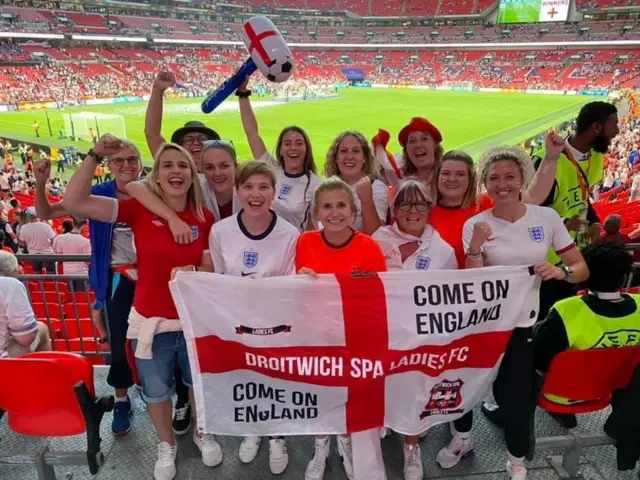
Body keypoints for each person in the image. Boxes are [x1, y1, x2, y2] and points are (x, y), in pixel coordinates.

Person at [63, 137, 218, 480]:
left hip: (193, 323)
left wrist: (193, 272)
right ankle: (167, 445)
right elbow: (72, 200)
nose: (175, 171)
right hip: (151, 321)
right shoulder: (137, 209)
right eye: (167, 165)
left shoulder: (204, 218)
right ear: (157, 176)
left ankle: (202, 432)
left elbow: (209, 270)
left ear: (191, 176)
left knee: (197, 385)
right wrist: (94, 156)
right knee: (157, 391)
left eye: (182, 166)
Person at [460, 145, 588, 479]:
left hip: (521, 325)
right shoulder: (476, 224)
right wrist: (475, 247)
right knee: (464, 387)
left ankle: (517, 459)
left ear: (521, 180)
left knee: (516, 399)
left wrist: (561, 272)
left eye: (509, 177)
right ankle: (461, 438)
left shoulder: (545, 218)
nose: (502, 184)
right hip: (484, 326)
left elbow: (580, 268)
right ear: (485, 183)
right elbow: (474, 282)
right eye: (494, 178)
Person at [33, 143, 144, 437]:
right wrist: (41, 183)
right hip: (117, 280)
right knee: (119, 340)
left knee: (164, 337)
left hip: (153, 278)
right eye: (119, 160)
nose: (127, 165)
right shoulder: (100, 194)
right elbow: (45, 211)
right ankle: (122, 398)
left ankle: (171, 395)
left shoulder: (153, 190)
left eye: (133, 159)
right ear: (108, 165)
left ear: (142, 162)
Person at [209, 161, 299, 475]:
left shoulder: (290, 234)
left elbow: (291, 284)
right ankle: (253, 428)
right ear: (237, 191)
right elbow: (219, 278)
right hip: (238, 322)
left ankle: (277, 436)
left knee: (274, 379)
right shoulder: (220, 231)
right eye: (248, 186)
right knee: (245, 377)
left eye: (263, 187)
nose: (255, 194)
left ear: (275, 193)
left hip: (275, 322)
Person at [296, 176, 387, 480]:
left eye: (341, 205)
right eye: (327, 207)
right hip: (317, 336)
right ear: (316, 213)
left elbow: (382, 297)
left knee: (351, 396)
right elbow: (288, 291)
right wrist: (300, 280)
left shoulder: (369, 247)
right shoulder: (305, 242)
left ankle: (346, 441)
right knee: (322, 393)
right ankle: (321, 444)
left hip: (356, 338)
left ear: (353, 209)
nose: (335, 213)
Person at [372, 179, 456, 480]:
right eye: (405, 204)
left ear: (429, 209)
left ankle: (411, 449)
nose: (412, 210)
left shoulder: (443, 252)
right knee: (380, 386)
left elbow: (450, 301)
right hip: (381, 334)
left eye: (419, 204)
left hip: (421, 339)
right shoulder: (377, 239)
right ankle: (384, 420)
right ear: (395, 210)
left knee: (416, 394)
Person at [534, 240, 640, 430]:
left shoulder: (567, 309)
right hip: (612, 389)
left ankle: (508, 417)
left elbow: (539, 359)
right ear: (625, 276)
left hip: (561, 393)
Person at [533, 102, 619, 322]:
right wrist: (563, 221)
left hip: (574, 257)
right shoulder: (547, 158)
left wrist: (595, 222)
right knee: (544, 321)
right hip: (546, 262)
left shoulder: (596, 158)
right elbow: (528, 207)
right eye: (613, 125)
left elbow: (583, 198)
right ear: (596, 128)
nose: (617, 131)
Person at [430, 132, 566, 268]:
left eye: (460, 174)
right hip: (439, 287)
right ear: (437, 176)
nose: (452, 179)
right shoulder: (423, 213)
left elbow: (533, 198)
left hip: (486, 285)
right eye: (446, 173)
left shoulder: (486, 203)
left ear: (471, 179)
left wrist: (551, 158)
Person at [237, 80, 320, 231]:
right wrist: (243, 94)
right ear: (280, 149)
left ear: (306, 149)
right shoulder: (271, 169)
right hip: (262, 241)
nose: (293, 148)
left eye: (299, 143)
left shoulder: (314, 184)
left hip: (292, 247)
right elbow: (251, 132)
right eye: (287, 143)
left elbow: (314, 226)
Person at [126, 139, 240, 244]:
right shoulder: (197, 184)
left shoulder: (248, 189)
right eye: (209, 167)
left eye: (224, 166)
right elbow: (134, 187)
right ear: (202, 171)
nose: (217, 173)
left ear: (236, 167)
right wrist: (172, 218)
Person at [145, 71, 220, 173]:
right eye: (189, 140)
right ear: (181, 148)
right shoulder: (174, 171)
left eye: (202, 139)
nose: (196, 143)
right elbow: (153, 135)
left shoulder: (221, 173)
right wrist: (157, 90)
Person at [324, 131, 388, 234]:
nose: (349, 157)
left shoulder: (375, 187)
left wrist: (366, 200)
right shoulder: (326, 187)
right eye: (344, 151)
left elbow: (377, 235)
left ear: (364, 158)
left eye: (356, 151)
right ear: (336, 158)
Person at [0, 250, 51, 358]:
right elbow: (25, 338)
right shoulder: (10, 284)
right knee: (41, 328)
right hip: (2, 360)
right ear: (14, 272)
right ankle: (43, 373)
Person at [52, 218, 91, 292]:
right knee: (82, 298)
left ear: (73, 223)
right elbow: (88, 261)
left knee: (71, 298)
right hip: (81, 273)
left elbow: (57, 255)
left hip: (67, 272)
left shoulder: (59, 238)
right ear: (84, 225)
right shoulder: (86, 242)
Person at [18, 207, 56, 274]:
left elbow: (22, 243)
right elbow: (53, 239)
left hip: (33, 254)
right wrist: (49, 245)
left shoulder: (24, 228)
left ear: (28, 216)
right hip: (48, 253)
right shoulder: (45, 226)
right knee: (51, 274)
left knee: (36, 274)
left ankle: (39, 285)